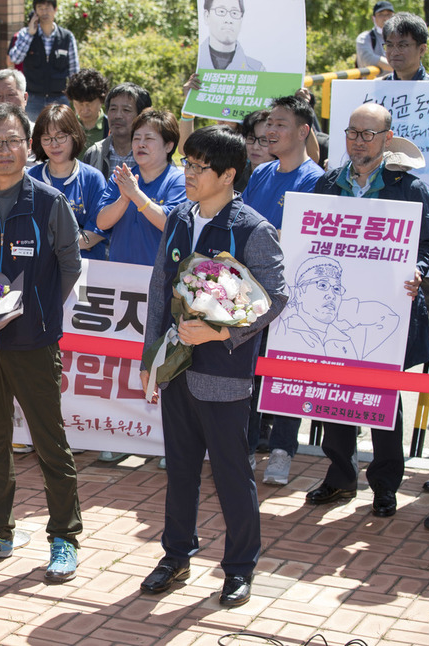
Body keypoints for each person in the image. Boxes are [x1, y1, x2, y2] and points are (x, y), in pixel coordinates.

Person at [140, 125, 287, 607]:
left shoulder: (252, 229)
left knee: (229, 471)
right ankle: (175, 554)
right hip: (177, 365)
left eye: (200, 167)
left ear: (227, 175)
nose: (189, 174)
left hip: (223, 370)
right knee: (179, 467)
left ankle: (240, 567)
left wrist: (223, 332)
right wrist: (149, 357)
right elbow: (161, 288)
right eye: (188, 164)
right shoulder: (180, 217)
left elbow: (275, 297)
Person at [0, 103, 83, 584]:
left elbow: (70, 265)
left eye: (13, 141)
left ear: (29, 146)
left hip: (35, 342)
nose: (4, 151)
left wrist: (41, 310)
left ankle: (64, 537)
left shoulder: (49, 202)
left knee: (50, 441)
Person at [306, 103, 429, 519]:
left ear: (386, 139)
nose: (358, 141)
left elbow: (425, 245)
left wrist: (416, 271)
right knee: (334, 396)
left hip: (383, 311)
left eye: (368, 134)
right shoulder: (328, 185)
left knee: (382, 400)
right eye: (352, 132)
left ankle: (384, 485)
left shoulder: (409, 188)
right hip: (335, 310)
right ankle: (341, 476)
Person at [239, 96, 324, 485]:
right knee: (250, 369)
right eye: (269, 124)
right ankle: (246, 446)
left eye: (281, 124)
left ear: (304, 131)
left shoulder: (317, 180)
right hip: (249, 289)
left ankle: (281, 450)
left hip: (291, 292)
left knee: (286, 372)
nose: (270, 131)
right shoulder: (260, 174)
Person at [95, 109, 186, 266]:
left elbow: (171, 225)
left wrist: (135, 194)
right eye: (136, 138)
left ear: (169, 146)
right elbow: (101, 223)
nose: (141, 144)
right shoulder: (121, 177)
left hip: (159, 277)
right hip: (118, 273)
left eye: (149, 138)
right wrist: (124, 199)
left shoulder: (179, 181)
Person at [28, 103, 107, 261]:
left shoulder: (93, 178)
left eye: (61, 136)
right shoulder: (31, 178)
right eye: (47, 138)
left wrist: (51, 242)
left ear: (75, 135)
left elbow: (96, 234)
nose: (54, 144)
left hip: (85, 269)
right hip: (40, 266)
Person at [7, 0, 80, 120]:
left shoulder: (67, 37)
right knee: (31, 135)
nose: (44, 11)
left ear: (55, 9)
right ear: (35, 12)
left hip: (59, 99)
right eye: (40, 7)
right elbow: (15, 58)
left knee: (61, 135)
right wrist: (30, 35)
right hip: (32, 99)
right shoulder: (25, 34)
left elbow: (74, 72)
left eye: (48, 7)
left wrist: (76, 99)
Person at [83, 83, 152, 181]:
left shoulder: (154, 153)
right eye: (113, 109)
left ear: (141, 116)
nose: (118, 115)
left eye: (126, 110)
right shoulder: (94, 154)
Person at [198, 0, 265, 72]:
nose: (228, 20)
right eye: (221, 11)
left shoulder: (257, 69)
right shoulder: (193, 63)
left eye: (234, 13)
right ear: (206, 16)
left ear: (241, 19)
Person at [380, 11, 429, 81]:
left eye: (402, 45)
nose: (394, 53)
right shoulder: (376, 88)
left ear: (422, 49)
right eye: (389, 45)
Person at [65, 69, 109, 154]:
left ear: (101, 100)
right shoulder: (66, 127)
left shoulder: (112, 128)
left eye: (89, 104)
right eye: (80, 104)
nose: (85, 110)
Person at [356, 2, 395, 73]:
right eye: (381, 15)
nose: (385, 18)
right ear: (373, 18)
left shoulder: (400, 38)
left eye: (389, 14)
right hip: (372, 83)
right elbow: (368, 59)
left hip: (398, 83)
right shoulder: (365, 38)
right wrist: (399, 67)